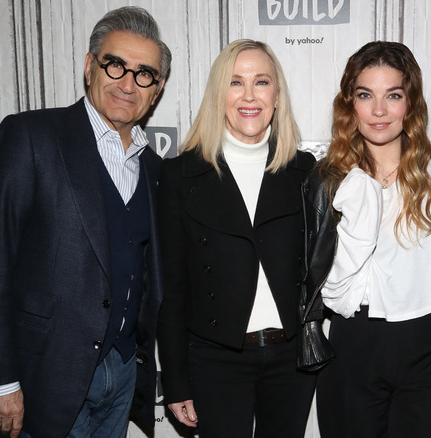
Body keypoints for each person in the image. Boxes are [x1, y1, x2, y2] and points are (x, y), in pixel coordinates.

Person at [0, 6, 170, 438]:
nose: (128, 83)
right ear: (90, 66)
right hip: (45, 377)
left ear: (157, 88)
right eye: (115, 65)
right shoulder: (30, 137)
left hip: (123, 372)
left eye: (144, 73)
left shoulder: (155, 168)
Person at [156, 39, 316, 438]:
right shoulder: (180, 176)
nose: (249, 96)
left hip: (289, 359)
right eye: (235, 82)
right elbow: (170, 289)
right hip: (215, 358)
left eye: (261, 82)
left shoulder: (303, 170)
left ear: (276, 96)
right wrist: (175, 380)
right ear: (218, 95)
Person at [302, 41, 431, 438]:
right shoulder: (327, 181)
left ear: (411, 103)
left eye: (393, 95)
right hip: (356, 341)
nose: (378, 111)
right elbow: (314, 274)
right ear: (349, 104)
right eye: (365, 95)